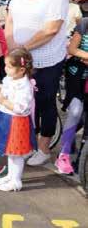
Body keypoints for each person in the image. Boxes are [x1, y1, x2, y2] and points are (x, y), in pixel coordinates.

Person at [5, 0, 69, 166]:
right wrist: (13, 46)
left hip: (46, 59)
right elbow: (10, 18)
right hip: (21, 56)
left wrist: (24, 48)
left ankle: (43, 148)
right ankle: (25, 144)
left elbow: (52, 29)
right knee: (23, 102)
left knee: (44, 102)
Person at [0, 48, 37, 192]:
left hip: (16, 122)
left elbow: (21, 108)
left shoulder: (24, 86)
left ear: (22, 69)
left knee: (16, 153)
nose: (5, 69)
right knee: (11, 152)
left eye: (9, 66)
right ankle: (11, 176)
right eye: (5, 65)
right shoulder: (11, 79)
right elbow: (5, 89)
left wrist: (3, 101)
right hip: (7, 119)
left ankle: (16, 181)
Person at [55, 17, 88, 174]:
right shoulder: (84, 24)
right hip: (76, 76)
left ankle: (79, 152)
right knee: (75, 111)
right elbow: (72, 49)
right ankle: (64, 155)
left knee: (82, 117)